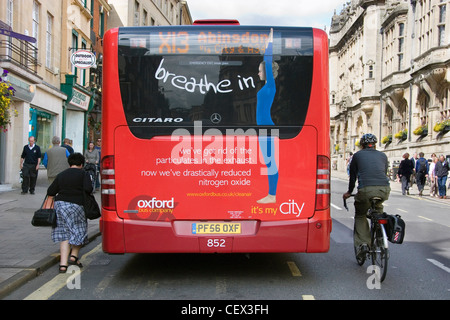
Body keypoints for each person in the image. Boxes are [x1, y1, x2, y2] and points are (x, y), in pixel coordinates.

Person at [343, 134, 390, 259]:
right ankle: (380, 238)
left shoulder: (357, 156)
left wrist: (349, 192)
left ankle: (363, 243)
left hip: (366, 190)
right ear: (374, 145)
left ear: (362, 145)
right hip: (384, 189)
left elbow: (353, 177)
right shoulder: (383, 155)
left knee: (360, 214)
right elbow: (383, 173)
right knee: (379, 209)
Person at [47, 153, 93, 273]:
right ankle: (73, 256)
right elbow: (89, 189)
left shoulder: (61, 175)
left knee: (64, 234)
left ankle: (63, 265)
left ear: (70, 163)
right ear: (81, 164)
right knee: (79, 231)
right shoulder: (84, 174)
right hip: (77, 205)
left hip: (60, 206)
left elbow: (51, 191)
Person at [256, 28, 279, 204]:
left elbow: (267, 62)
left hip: (267, 127)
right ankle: (271, 194)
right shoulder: (265, 87)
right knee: (268, 161)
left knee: (270, 162)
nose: (258, 73)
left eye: (260, 70)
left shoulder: (270, 86)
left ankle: (272, 195)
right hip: (263, 127)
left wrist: (269, 43)